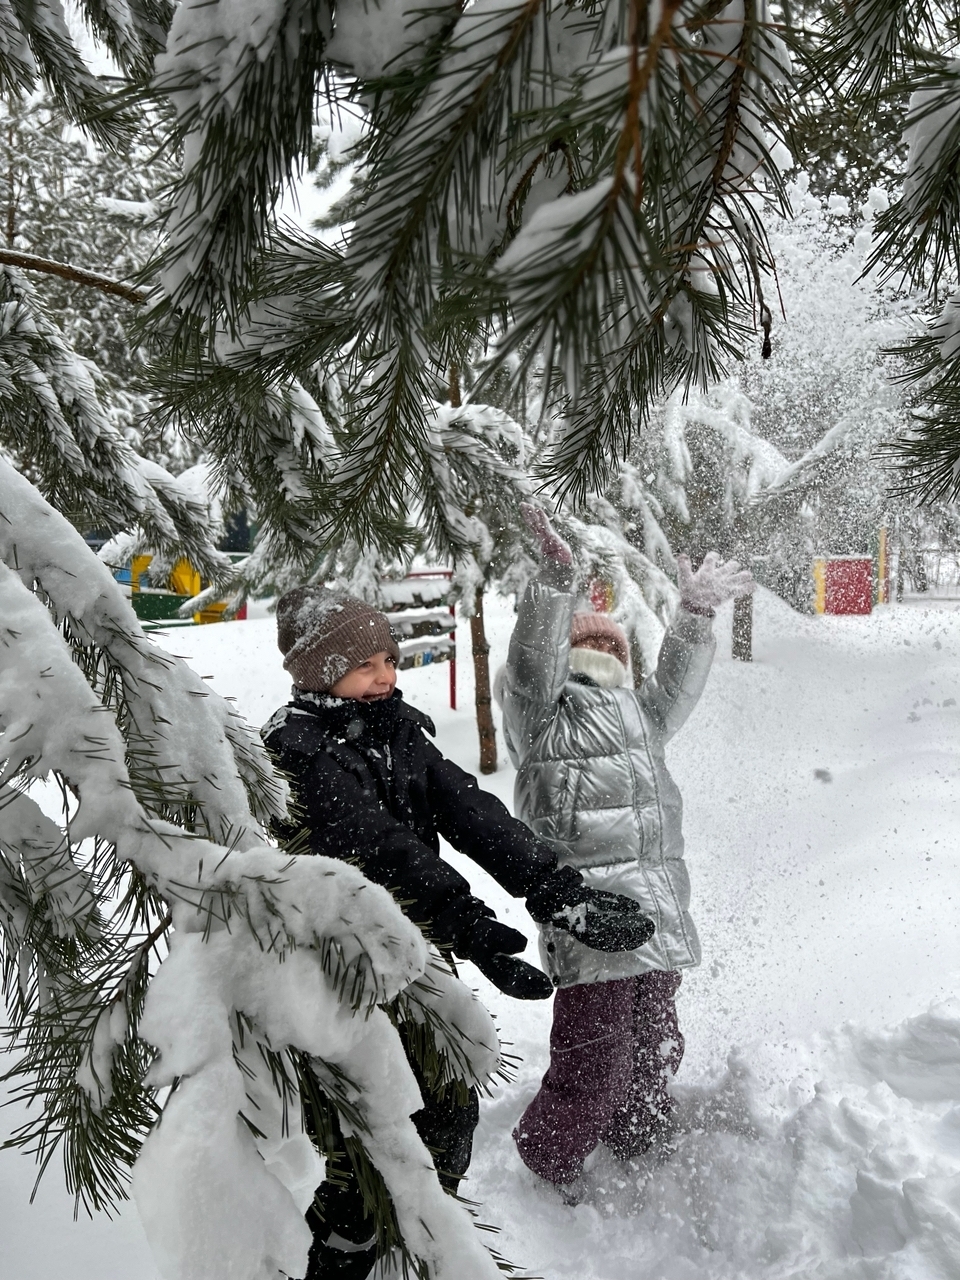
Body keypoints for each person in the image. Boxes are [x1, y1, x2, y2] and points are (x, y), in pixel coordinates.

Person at [260, 586, 653, 1279]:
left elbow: (472, 812)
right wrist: (468, 924)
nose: (385, 675)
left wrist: (556, 891)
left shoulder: (394, 730)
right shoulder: (299, 750)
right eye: (364, 666)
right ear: (320, 672)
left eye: (388, 659)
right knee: (364, 1143)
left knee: (446, 1113)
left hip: (416, 951)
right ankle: (340, 1261)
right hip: (341, 968)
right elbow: (378, 847)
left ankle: (415, 1242)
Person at [500, 506, 754, 1196]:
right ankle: (548, 1160)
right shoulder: (543, 720)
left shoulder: (644, 715)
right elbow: (528, 666)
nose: (602, 656)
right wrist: (555, 584)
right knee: (596, 1060)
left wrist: (694, 618)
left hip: (655, 917)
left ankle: (639, 1136)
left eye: (612, 648)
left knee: (654, 1047)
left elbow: (676, 683)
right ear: (563, 658)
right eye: (586, 646)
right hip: (592, 919)